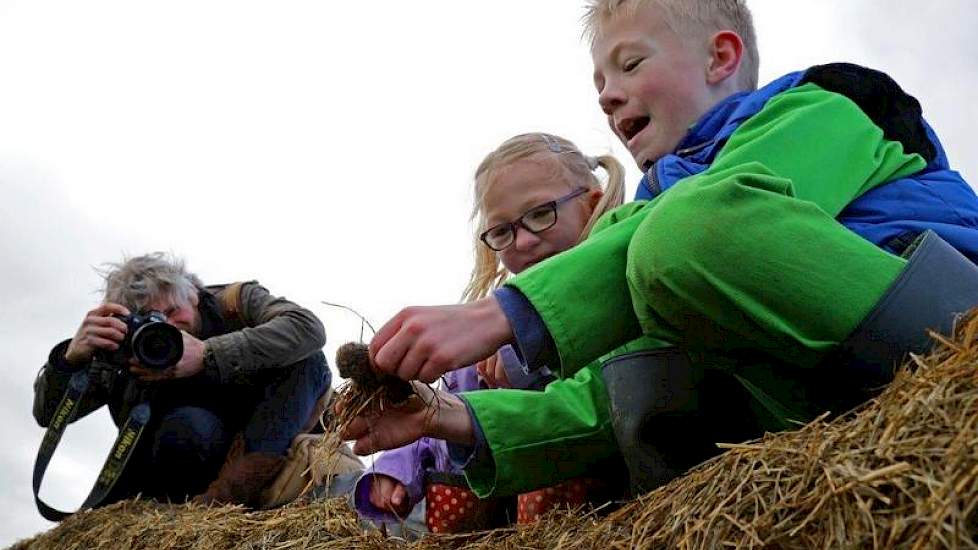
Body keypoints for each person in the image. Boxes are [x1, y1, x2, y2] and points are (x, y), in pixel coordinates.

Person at [344, 0, 978, 498]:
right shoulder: (657, 223)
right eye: (598, 80)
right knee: (646, 360)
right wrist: (447, 416)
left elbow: (712, 222)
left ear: (720, 56)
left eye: (629, 64)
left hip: (947, 318)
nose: (606, 94)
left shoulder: (829, 103)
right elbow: (604, 399)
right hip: (829, 404)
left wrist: (501, 316)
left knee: (678, 233)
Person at [354, 132, 628, 532]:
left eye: (540, 213)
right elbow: (439, 403)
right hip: (508, 513)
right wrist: (397, 466)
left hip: (606, 500)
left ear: (590, 204)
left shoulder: (622, 283)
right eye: (502, 231)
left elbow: (604, 395)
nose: (524, 240)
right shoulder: (486, 334)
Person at [33, 253, 332, 508]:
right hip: (179, 446)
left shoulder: (234, 302)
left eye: (174, 311)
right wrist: (70, 360)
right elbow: (47, 415)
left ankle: (236, 490)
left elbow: (308, 329)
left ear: (194, 295)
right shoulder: (122, 345)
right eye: (151, 320)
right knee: (186, 428)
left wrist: (208, 354)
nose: (168, 326)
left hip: (258, 435)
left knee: (309, 359)